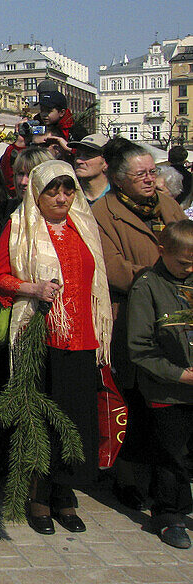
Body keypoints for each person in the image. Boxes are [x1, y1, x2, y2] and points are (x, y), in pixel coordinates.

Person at [0, 160, 113, 535]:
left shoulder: (84, 226)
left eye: (68, 189)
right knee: (40, 420)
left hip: (81, 337)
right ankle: (37, 495)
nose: (61, 198)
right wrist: (33, 289)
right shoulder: (20, 226)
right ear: (35, 194)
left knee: (73, 419)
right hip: (40, 337)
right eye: (52, 191)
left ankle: (64, 493)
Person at [92, 143, 184, 511]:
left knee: (170, 401)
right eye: (142, 174)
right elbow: (113, 267)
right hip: (132, 311)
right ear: (118, 179)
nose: (151, 180)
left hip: (177, 313)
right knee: (132, 398)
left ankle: (168, 478)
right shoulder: (104, 212)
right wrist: (161, 282)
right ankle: (128, 477)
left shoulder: (166, 205)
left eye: (152, 172)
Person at [123, 221, 193, 549]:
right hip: (167, 388)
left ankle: (183, 503)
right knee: (170, 454)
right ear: (163, 252)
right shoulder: (147, 286)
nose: (189, 268)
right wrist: (181, 375)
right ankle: (167, 514)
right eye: (183, 262)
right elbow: (140, 347)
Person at [69, 133, 111, 205]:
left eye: (88, 156)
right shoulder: (68, 197)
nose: (78, 161)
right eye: (77, 155)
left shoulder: (119, 198)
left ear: (106, 162)